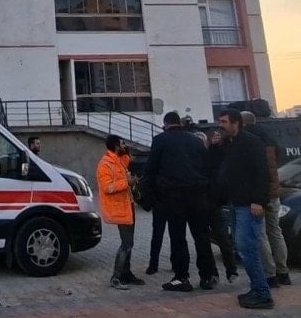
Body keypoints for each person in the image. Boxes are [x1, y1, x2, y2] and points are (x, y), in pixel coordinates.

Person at [142, 111, 218, 291]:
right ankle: (207, 276)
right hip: (198, 196)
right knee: (201, 237)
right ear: (180, 123)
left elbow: (151, 170)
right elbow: (208, 168)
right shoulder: (195, 141)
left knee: (178, 238)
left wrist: (150, 197)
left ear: (166, 124)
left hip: (173, 197)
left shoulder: (160, 140)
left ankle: (182, 278)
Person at [217, 109, 273, 310]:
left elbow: (262, 173)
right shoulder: (230, 144)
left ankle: (263, 293)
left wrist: (258, 201)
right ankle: (256, 288)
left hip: (248, 205)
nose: (220, 125)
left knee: (248, 248)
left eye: (224, 122)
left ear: (236, 123)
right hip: (235, 203)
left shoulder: (251, 143)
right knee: (243, 249)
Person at [241, 111, 290, 287]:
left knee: (260, 235)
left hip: (259, 194)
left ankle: (270, 274)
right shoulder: (270, 139)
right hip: (274, 192)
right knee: (275, 231)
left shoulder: (249, 141)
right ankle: (283, 271)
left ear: (243, 123)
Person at [97, 134, 145, 289]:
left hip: (128, 206)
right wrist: (127, 182)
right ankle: (116, 277)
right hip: (119, 209)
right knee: (126, 243)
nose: (125, 145)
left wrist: (126, 151)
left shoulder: (119, 160)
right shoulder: (105, 164)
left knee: (129, 243)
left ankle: (126, 273)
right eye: (123, 143)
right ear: (116, 145)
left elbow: (128, 160)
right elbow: (107, 187)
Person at [200, 129, 239, 283]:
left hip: (212, 204)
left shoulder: (210, 156)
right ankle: (218, 272)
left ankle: (228, 270)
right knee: (211, 240)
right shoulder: (205, 157)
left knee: (220, 238)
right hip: (207, 204)